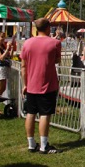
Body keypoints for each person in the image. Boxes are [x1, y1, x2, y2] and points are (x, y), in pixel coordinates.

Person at [20, 18, 62, 154]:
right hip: (47, 84)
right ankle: (44, 145)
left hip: (31, 84)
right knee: (45, 114)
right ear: (48, 28)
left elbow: (23, 66)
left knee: (30, 113)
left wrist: (25, 84)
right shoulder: (55, 43)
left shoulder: (27, 43)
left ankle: (31, 144)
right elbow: (57, 60)